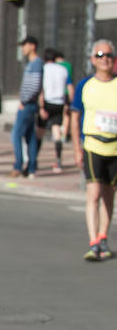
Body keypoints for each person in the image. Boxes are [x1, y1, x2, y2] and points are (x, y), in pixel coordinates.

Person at [70, 39, 116, 261]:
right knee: (94, 193)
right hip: (92, 145)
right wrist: (76, 148)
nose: (105, 59)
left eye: (108, 55)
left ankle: (103, 236)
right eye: (100, 55)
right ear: (92, 60)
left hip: (114, 147)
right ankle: (93, 241)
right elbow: (75, 115)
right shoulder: (85, 86)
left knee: (109, 195)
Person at [11, 36, 43, 178]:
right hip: (28, 104)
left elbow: (35, 86)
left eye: (24, 45)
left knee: (16, 135)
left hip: (28, 105)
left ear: (32, 46)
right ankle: (31, 167)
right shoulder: (31, 63)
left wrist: (23, 101)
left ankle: (18, 165)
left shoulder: (36, 63)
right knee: (30, 136)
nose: (22, 48)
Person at [39, 48, 74, 173]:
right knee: (56, 131)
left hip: (47, 102)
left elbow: (41, 89)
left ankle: (33, 160)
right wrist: (70, 104)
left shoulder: (43, 69)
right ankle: (58, 160)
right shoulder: (63, 70)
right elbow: (70, 88)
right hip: (59, 102)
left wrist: (41, 107)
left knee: (40, 132)